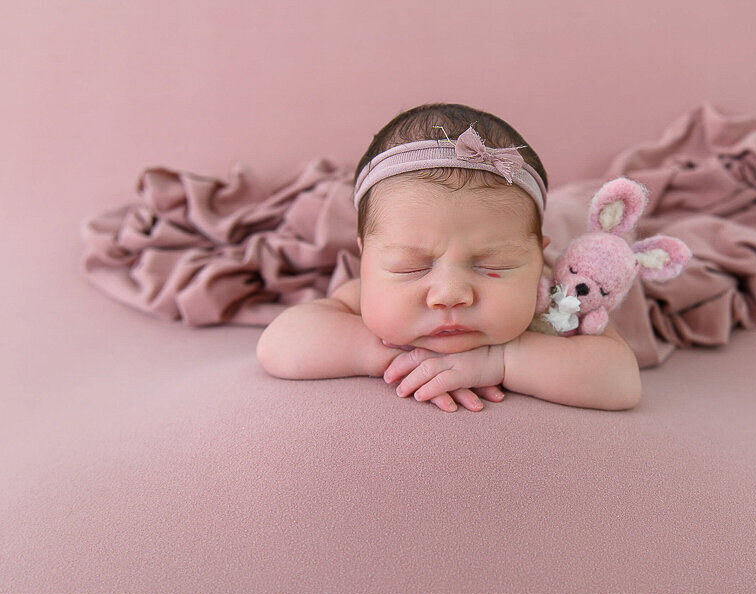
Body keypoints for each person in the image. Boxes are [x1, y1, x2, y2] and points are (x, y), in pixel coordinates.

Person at [256, 103, 642, 412]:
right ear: (366, 260)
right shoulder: (364, 296)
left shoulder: (554, 301)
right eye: (412, 267)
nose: (451, 294)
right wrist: (388, 353)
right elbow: (277, 344)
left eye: (494, 266)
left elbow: (621, 382)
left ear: (537, 261)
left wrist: (502, 361)